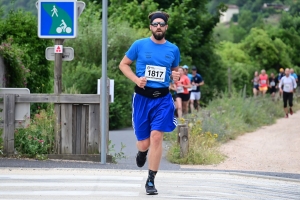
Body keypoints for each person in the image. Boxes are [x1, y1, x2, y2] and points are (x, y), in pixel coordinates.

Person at [119, 11, 180, 195]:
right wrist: (136, 80)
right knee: (144, 143)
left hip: (162, 99)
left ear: (166, 27)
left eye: (162, 24)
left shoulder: (173, 49)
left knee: (156, 136)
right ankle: (142, 152)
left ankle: (151, 180)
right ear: (151, 27)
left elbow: (175, 72)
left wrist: (176, 76)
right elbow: (123, 64)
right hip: (142, 99)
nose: (158, 26)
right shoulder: (139, 45)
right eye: (155, 24)